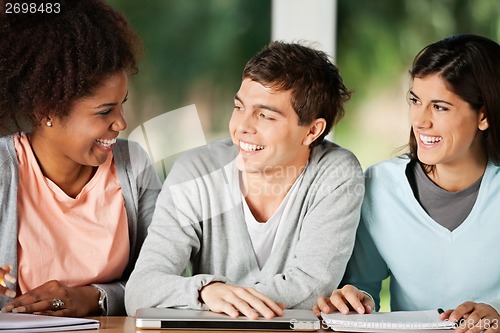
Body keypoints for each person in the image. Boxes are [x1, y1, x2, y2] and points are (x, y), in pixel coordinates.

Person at [125, 41, 364, 319]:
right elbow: (140, 291)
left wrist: (214, 298)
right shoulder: (196, 172)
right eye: (239, 107)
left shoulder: (335, 174)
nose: (242, 127)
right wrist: (205, 291)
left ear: (312, 130)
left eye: (265, 115)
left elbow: (311, 288)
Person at [315, 34, 500, 332]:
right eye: (415, 100)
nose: (420, 120)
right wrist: (353, 300)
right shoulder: (380, 187)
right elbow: (363, 289)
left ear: (484, 115)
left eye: (440, 107)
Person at [0, 0, 161, 317]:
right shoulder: (4, 170)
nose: (121, 124)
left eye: (121, 105)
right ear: (46, 110)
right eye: (105, 111)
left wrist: (95, 298)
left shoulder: (133, 166)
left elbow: (159, 279)